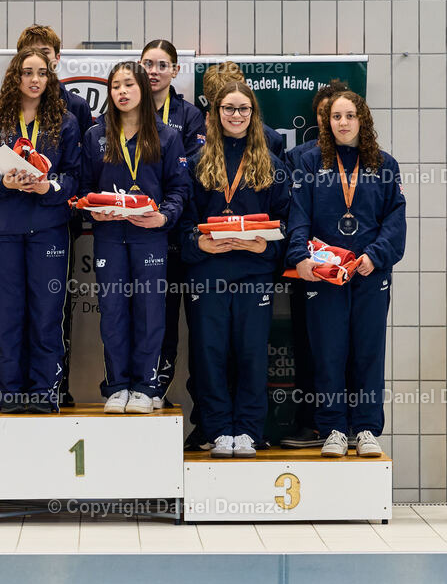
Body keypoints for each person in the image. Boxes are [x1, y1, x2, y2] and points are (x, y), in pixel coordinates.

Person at [286, 90, 406, 458]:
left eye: (350, 116)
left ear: (362, 120)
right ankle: (334, 428)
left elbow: (395, 220)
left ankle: (366, 428)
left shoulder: (385, 165)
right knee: (328, 353)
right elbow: (299, 215)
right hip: (325, 276)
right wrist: (299, 258)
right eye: (336, 116)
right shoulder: (309, 163)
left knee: (368, 353)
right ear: (327, 122)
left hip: (369, 274)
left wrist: (376, 256)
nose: (343, 122)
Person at [179, 81, 290, 457]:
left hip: (252, 274)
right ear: (215, 115)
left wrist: (265, 244)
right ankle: (217, 429)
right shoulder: (196, 161)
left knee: (251, 354)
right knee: (208, 353)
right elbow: (183, 223)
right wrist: (199, 242)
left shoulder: (271, 165)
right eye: (229, 108)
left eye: (244, 108)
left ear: (253, 114)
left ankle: (248, 430)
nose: (236, 115)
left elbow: (287, 223)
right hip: (207, 273)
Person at [0, 48, 80, 413]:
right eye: (27, 72)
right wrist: (6, 184)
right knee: (5, 314)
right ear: (14, 76)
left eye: (42, 73)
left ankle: (45, 393)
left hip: (48, 230)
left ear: (50, 79)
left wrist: (49, 188)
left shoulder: (64, 123)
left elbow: (76, 179)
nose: (34, 79)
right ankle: (10, 394)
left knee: (47, 315)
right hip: (1, 232)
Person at [81, 61, 189, 413]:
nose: (122, 92)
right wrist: (89, 209)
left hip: (149, 236)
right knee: (112, 312)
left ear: (143, 88)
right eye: (115, 86)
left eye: (129, 84)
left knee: (149, 312)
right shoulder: (95, 136)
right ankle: (117, 386)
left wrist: (164, 216)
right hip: (110, 235)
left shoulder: (167, 136)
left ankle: (146, 385)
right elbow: (83, 188)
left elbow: (179, 189)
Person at [16, 24, 94, 407]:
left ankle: (54, 387)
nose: (40, 61)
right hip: (13, 223)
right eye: (31, 55)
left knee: (54, 309)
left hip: (57, 222)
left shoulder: (75, 108)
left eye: (45, 53)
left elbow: (81, 170)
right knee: (18, 310)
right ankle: (21, 388)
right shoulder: (3, 112)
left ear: (56, 59)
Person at [278, 78, 350, 450]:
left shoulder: (369, 160)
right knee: (309, 349)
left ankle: (351, 426)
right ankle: (312, 423)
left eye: (340, 114)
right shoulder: (299, 157)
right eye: (325, 114)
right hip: (308, 271)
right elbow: (293, 214)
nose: (332, 121)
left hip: (352, 272)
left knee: (353, 350)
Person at [137, 40, 205, 412]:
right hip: (133, 230)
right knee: (140, 314)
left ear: (175, 71)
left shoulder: (189, 115)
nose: (154, 71)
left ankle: (160, 386)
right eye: (148, 63)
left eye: (163, 65)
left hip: (175, 230)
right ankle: (138, 384)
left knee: (174, 317)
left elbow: (190, 169)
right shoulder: (123, 107)